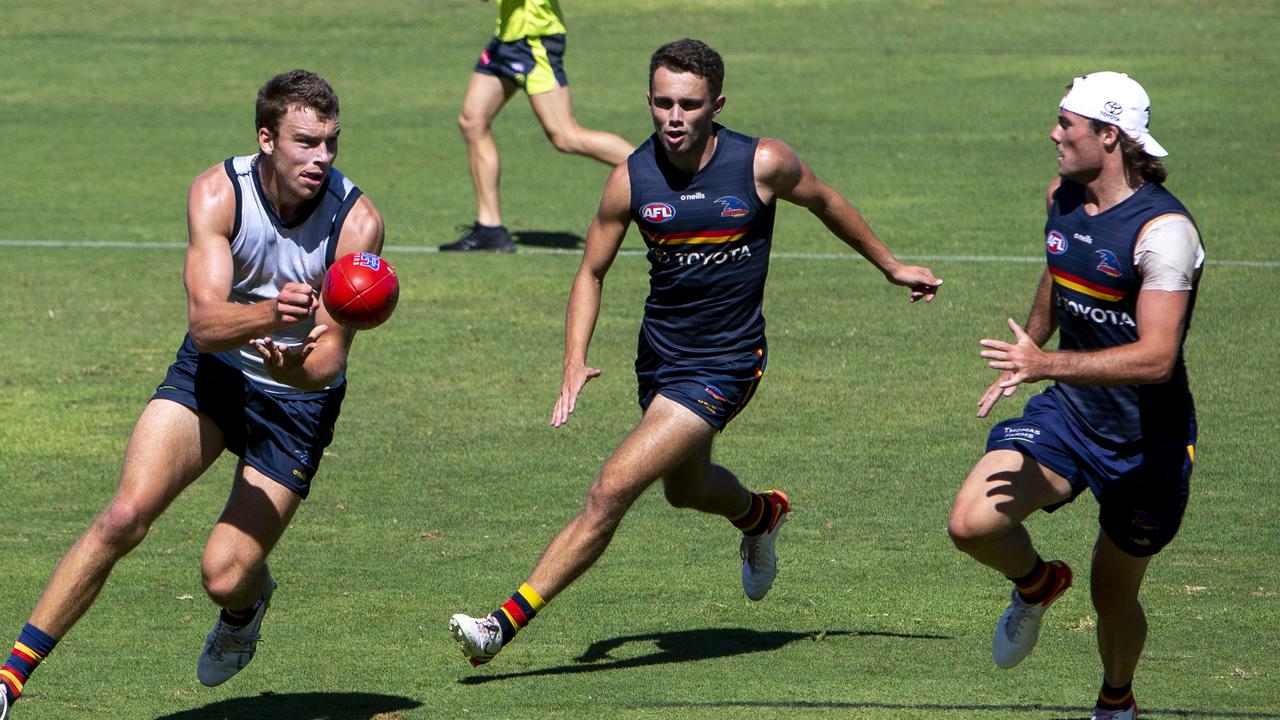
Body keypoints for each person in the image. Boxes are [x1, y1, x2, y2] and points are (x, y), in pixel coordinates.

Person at [448, 38, 942, 667]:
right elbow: (590, 272)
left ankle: (500, 625)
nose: (673, 118)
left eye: (688, 104)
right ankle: (761, 516)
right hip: (659, 358)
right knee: (686, 489)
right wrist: (574, 358)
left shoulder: (761, 163)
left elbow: (824, 200)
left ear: (717, 104)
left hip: (727, 362)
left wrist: (891, 265)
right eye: (661, 103)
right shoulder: (631, 176)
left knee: (609, 491)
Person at [0, 69, 385, 718]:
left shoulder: (357, 222)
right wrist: (271, 317)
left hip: (296, 408)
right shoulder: (218, 194)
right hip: (213, 377)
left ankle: (247, 605)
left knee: (224, 575)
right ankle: (9, 682)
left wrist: (292, 361)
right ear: (266, 138)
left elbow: (326, 362)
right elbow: (206, 326)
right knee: (123, 517)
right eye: (305, 142)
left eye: (331, 144)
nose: (322, 158)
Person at [947, 71, 1203, 720]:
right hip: (1068, 414)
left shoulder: (1163, 235)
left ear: (1109, 136)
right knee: (971, 524)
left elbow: (1155, 358)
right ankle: (1036, 583)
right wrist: (1028, 349)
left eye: (1068, 124)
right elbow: (1060, 273)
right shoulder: (1061, 196)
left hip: (1145, 445)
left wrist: (1044, 360)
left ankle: (1116, 700)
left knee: (1112, 595)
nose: (1054, 133)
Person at [441, 0, 634, 253]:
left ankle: (663, 169)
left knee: (566, 136)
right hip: (508, 37)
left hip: (533, 38)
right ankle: (490, 231)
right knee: (472, 121)